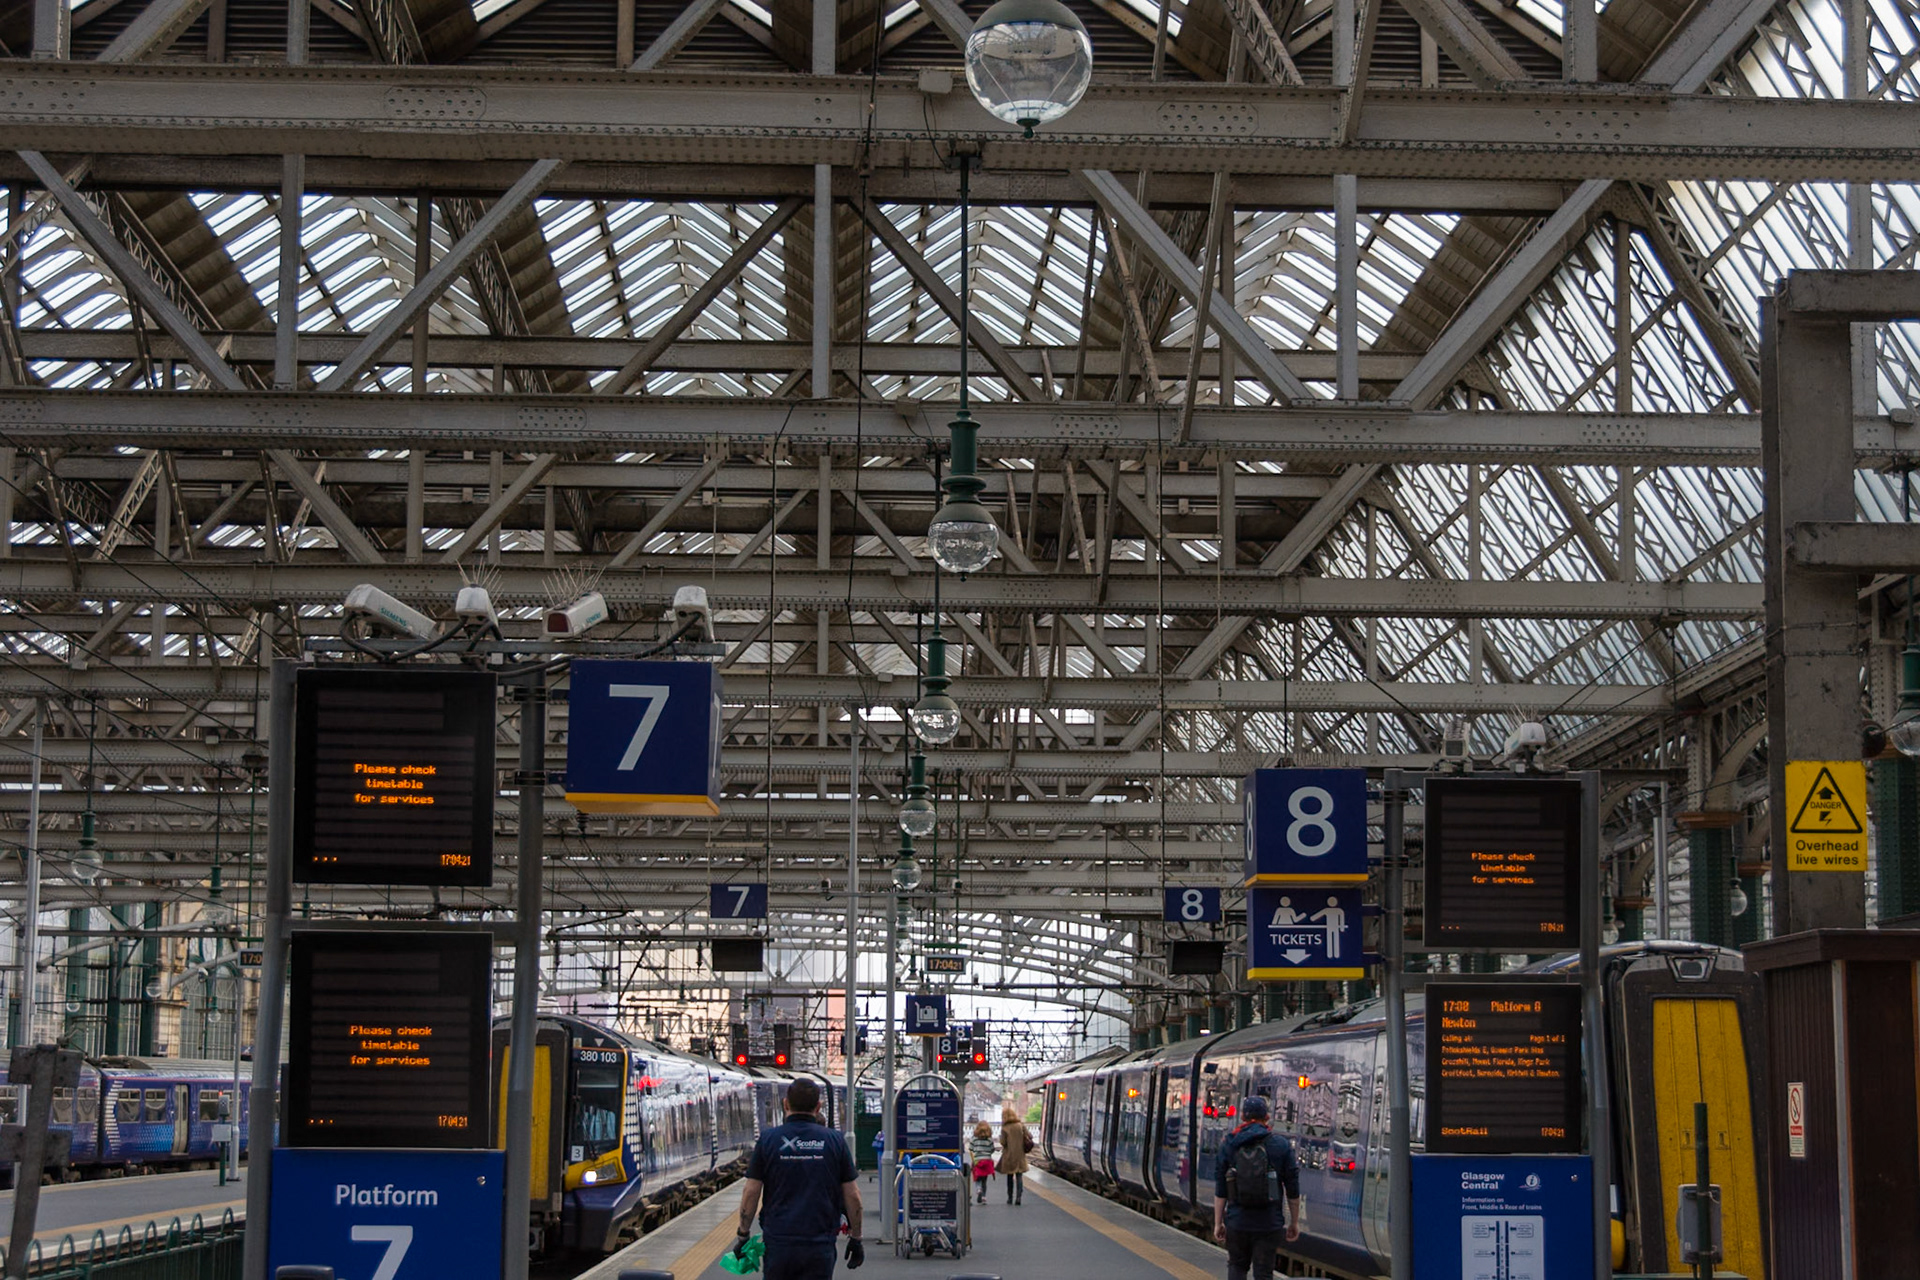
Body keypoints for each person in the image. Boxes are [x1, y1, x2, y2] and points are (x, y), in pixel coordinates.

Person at [732, 1079, 865, 1279]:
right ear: (818, 1107)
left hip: (779, 1242)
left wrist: (743, 1234)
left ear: (785, 1104)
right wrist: (856, 1237)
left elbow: (751, 1192)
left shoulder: (768, 1140)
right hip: (820, 1243)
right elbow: (853, 1195)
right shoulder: (835, 1140)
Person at [1212, 1095, 1301, 1280]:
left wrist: (1218, 1222)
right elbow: (1292, 1188)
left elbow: (1221, 1189)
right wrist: (1294, 1222)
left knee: (1236, 1266)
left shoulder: (1229, 1144)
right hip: (1269, 1223)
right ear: (1267, 1117)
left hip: (1237, 1221)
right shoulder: (1280, 1145)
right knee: (1264, 1272)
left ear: (1243, 1116)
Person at [995, 1105, 1031, 1205]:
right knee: (1019, 1176)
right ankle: (1019, 1197)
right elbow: (1030, 1136)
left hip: (1009, 1156)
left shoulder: (1005, 1128)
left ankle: (1010, 1197)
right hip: (1020, 1155)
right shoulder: (1020, 1125)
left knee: (1010, 1177)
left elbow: (1003, 1143)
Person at [967, 1121, 996, 1204]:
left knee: (977, 1178)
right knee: (984, 1180)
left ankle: (978, 1190)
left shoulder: (974, 1138)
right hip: (987, 1161)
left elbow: (971, 1149)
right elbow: (992, 1149)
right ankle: (984, 1197)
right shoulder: (989, 1139)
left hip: (977, 1161)